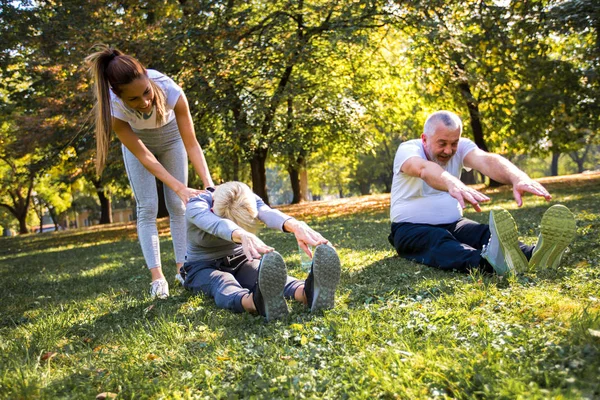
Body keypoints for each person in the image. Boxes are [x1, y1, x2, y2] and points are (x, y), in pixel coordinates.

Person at [86, 45, 214, 298]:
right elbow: (144, 155)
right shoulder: (113, 109)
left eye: (146, 92)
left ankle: (182, 269)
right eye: (133, 99)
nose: (144, 102)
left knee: (178, 206)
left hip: (172, 139)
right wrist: (178, 185)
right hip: (140, 144)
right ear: (117, 94)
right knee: (147, 207)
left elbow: (191, 142)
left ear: (147, 77)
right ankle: (157, 278)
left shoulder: (170, 89)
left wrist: (209, 185)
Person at [388, 110, 576, 275]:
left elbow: (486, 160)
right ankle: (489, 264)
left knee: (484, 234)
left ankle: (536, 254)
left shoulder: (460, 147)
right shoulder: (408, 150)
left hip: (453, 223)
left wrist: (518, 177)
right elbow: (423, 169)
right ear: (424, 139)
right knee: (439, 242)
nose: (449, 150)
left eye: (454, 143)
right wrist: (451, 182)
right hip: (409, 229)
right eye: (442, 143)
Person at [181, 181, 342, 321]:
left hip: (241, 259)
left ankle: (307, 292)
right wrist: (241, 233)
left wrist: (296, 226)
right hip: (202, 266)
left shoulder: (245, 197)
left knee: (260, 271)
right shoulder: (196, 205)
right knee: (222, 281)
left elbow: (268, 213)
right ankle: (254, 302)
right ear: (213, 202)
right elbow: (217, 225)